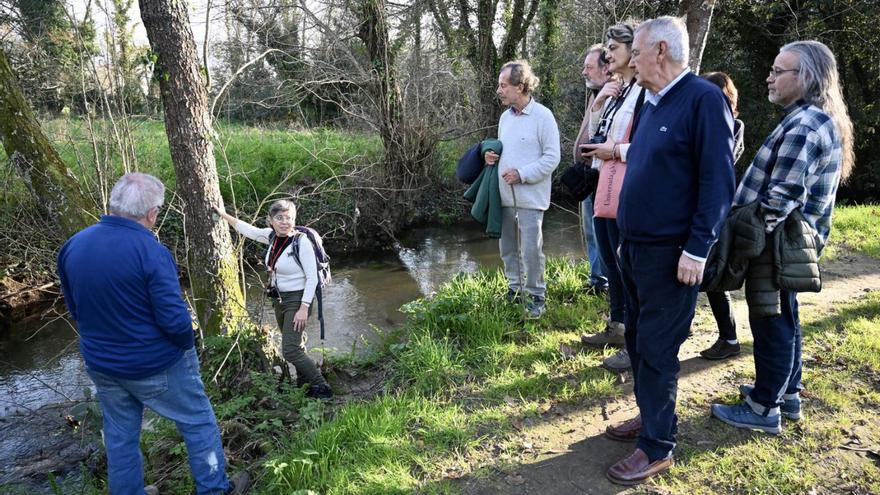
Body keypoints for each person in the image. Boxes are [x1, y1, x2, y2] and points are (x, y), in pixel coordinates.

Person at [57, 173, 249, 495]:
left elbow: (75, 310)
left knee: (120, 438)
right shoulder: (151, 251)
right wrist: (188, 346)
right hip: (156, 364)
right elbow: (174, 322)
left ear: (114, 203)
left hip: (102, 365)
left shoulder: (73, 246)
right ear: (152, 214)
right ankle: (216, 490)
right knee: (198, 421)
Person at [605, 17, 735, 485]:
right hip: (635, 248)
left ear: (660, 50)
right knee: (638, 340)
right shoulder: (649, 100)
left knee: (658, 348)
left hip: (672, 253)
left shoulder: (702, 100)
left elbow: (718, 184)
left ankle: (658, 447)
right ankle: (649, 417)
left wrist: (697, 250)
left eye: (635, 52)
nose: (628, 60)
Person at [711, 40, 853, 433]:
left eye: (779, 70)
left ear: (805, 77)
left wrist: (746, 238)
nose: (769, 77)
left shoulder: (806, 125)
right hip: (787, 242)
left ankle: (763, 408)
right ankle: (786, 392)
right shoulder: (811, 118)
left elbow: (782, 197)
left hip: (777, 242)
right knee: (784, 314)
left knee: (770, 319)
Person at [215, 200, 333, 399]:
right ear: (271, 220)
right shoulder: (270, 237)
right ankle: (304, 381)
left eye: (289, 218)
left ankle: (322, 387)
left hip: (297, 300)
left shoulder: (300, 242)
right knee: (294, 344)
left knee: (289, 350)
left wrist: (304, 308)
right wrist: (223, 215)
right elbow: (248, 230)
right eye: (280, 218)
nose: (285, 222)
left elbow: (312, 277)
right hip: (278, 300)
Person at [577, 23, 644, 372]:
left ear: (634, 51)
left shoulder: (644, 92)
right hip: (604, 185)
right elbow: (597, 133)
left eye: (613, 48)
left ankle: (635, 343)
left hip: (626, 187)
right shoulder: (620, 90)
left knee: (625, 266)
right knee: (610, 262)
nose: (607, 54)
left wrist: (614, 151)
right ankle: (617, 327)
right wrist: (600, 102)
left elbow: (650, 146)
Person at [484, 60, 561, 319]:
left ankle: (536, 296)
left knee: (531, 250)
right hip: (504, 197)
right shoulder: (505, 118)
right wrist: (492, 158)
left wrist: (522, 175)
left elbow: (552, 158)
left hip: (531, 199)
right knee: (508, 249)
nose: (499, 90)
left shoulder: (543, 116)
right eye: (499, 85)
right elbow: (507, 150)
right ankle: (515, 291)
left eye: (504, 85)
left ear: (521, 86)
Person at [699, 71, 745, 361]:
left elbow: (722, 163)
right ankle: (726, 337)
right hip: (706, 209)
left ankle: (729, 338)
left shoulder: (733, 126)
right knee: (704, 277)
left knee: (714, 278)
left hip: (719, 212)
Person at [573, 44, 611, 295]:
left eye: (588, 67)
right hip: (589, 176)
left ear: (605, 67)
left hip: (604, 176)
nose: (584, 72)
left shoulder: (614, 95)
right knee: (590, 230)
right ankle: (597, 279)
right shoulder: (593, 94)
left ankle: (605, 282)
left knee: (602, 232)